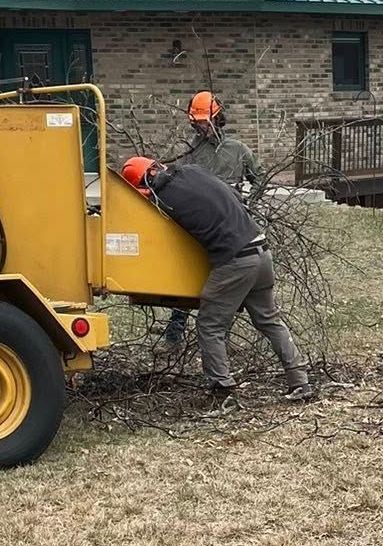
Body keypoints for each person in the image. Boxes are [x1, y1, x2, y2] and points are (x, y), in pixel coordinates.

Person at [120, 154, 312, 405]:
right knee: (268, 320)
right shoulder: (194, 170)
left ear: (145, 183)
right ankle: (300, 381)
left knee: (210, 325)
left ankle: (222, 392)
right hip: (261, 250)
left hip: (235, 261)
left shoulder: (164, 199)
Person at [181, 91, 263, 193]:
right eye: (198, 122)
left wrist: (251, 200)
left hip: (233, 207)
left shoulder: (237, 148)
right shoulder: (190, 154)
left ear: (217, 119)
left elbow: (260, 177)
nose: (202, 126)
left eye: (206, 121)